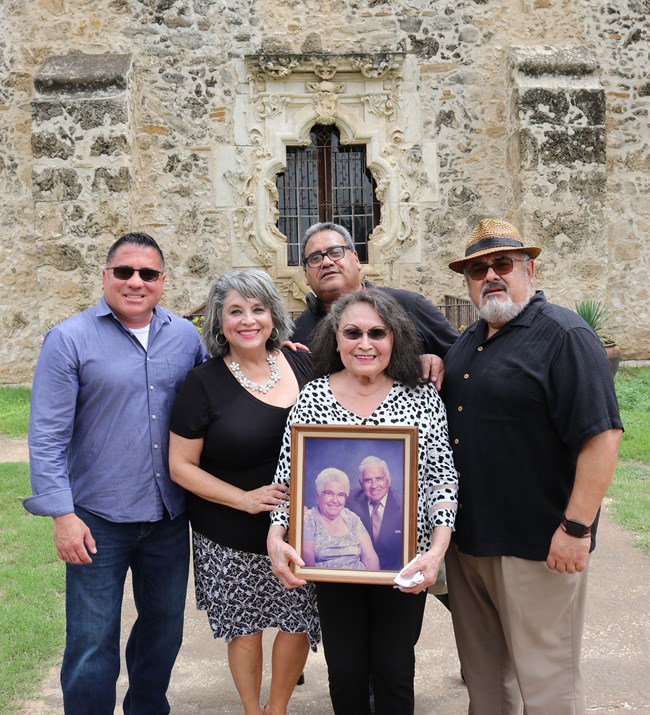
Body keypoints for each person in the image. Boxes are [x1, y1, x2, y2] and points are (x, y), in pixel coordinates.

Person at [441, 218, 623, 715]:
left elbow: (602, 437)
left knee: (549, 687)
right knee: (486, 687)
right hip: (470, 544)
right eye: (478, 269)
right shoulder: (468, 340)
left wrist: (577, 527)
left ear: (529, 268)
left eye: (502, 263)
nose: (490, 275)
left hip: (538, 546)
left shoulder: (565, 334)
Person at [24, 232, 204, 715]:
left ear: (162, 281)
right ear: (105, 277)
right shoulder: (69, 339)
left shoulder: (186, 337)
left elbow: (219, 394)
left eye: (147, 273)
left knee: (164, 629)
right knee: (90, 640)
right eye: (124, 271)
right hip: (96, 519)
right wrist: (62, 514)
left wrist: (282, 354)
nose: (135, 281)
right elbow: (45, 435)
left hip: (167, 517)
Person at [267, 288, 458, 715]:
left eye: (378, 333)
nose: (365, 343)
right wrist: (275, 538)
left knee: (394, 672)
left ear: (396, 339)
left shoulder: (422, 398)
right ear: (335, 339)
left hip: (406, 566)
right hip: (335, 572)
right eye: (352, 332)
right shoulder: (312, 397)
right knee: (346, 672)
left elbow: (442, 480)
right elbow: (288, 482)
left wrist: (436, 553)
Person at [168, 268, 319, 715]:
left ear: (273, 315)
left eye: (258, 308)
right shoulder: (203, 383)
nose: (248, 320)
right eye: (235, 311)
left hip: (301, 528)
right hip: (229, 530)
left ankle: (277, 709)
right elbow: (180, 466)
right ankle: (253, 711)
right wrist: (244, 498)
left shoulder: (302, 363)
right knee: (246, 627)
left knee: (297, 623)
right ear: (218, 322)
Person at [290, 221, 459, 386]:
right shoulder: (296, 334)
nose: (326, 262)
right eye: (315, 258)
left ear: (356, 260)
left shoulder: (408, 305)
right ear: (305, 275)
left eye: (335, 252)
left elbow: (462, 358)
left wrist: (438, 362)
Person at [303, 467, 379, 570]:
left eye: (341, 495)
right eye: (329, 493)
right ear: (318, 496)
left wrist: (372, 583)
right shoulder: (309, 519)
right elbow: (308, 565)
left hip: (360, 582)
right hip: (324, 583)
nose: (335, 500)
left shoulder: (352, 518)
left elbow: (370, 558)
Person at [348, 455, 403, 570]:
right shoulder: (350, 499)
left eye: (379, 479)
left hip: (394, 575)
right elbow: (327, 505)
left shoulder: (404, 505)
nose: (374, 486)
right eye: (368, 480)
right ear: (360, 483)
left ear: (389, 479)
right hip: (358, 574)